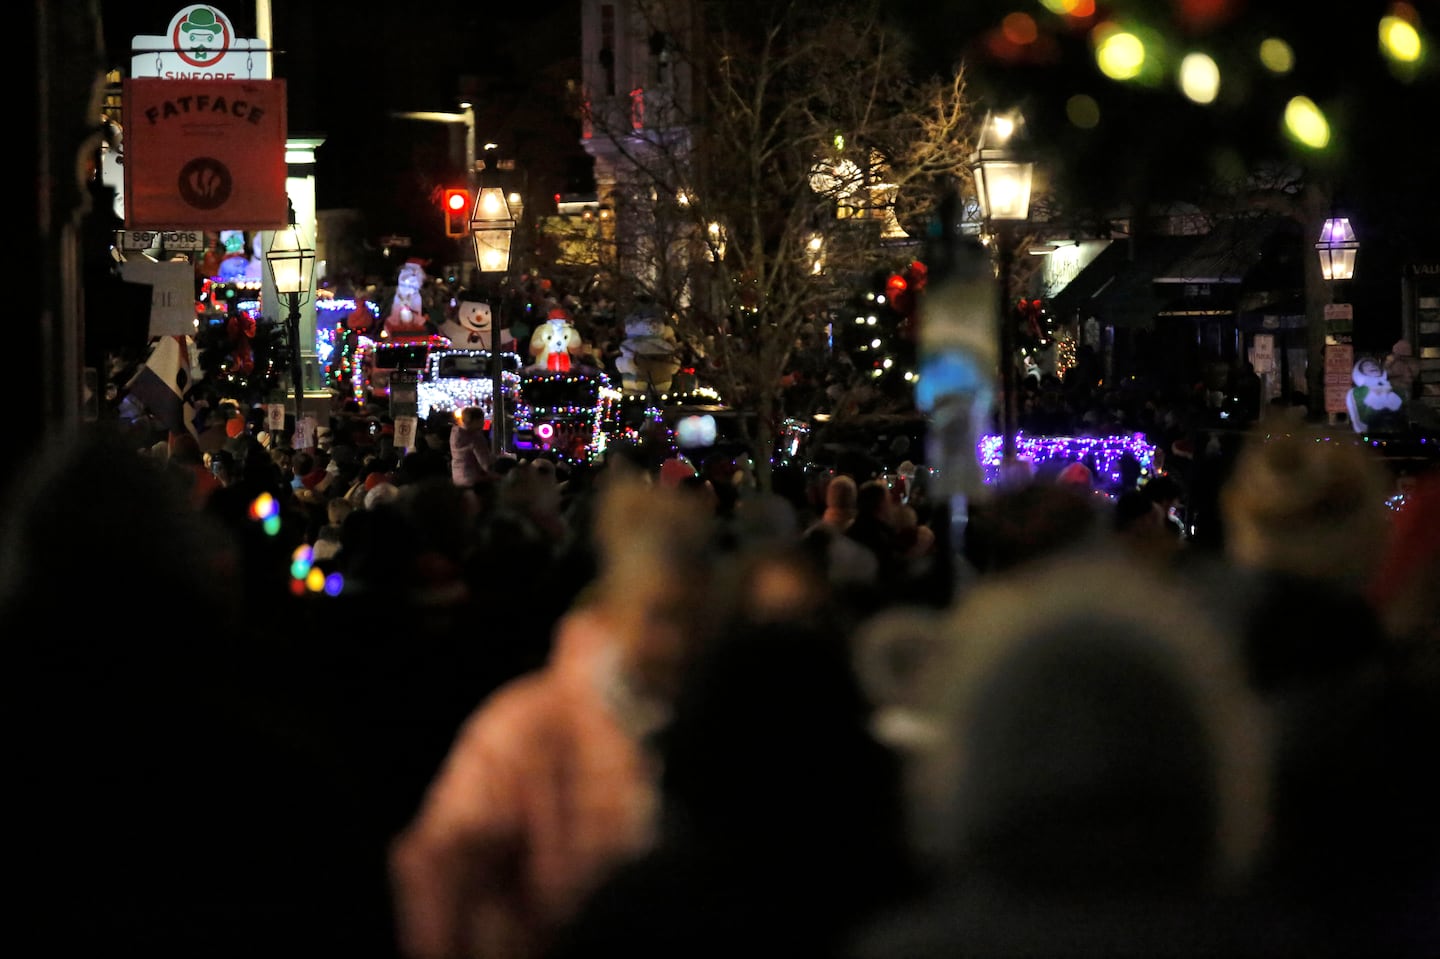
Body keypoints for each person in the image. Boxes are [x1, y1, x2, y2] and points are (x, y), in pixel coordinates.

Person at [388, 475, 730, 959]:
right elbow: (438, 866)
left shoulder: (726, 716)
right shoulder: (528, 725)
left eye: (695, 618)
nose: (677, 642)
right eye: (660, 616)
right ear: (617, 606)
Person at [449, 406, 493, 490]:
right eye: (482, 420)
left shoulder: (456, 433)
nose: (484, 422)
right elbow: (485, 464)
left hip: (458, 477)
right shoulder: (475, 438)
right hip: (474, 480)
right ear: (475, 421)